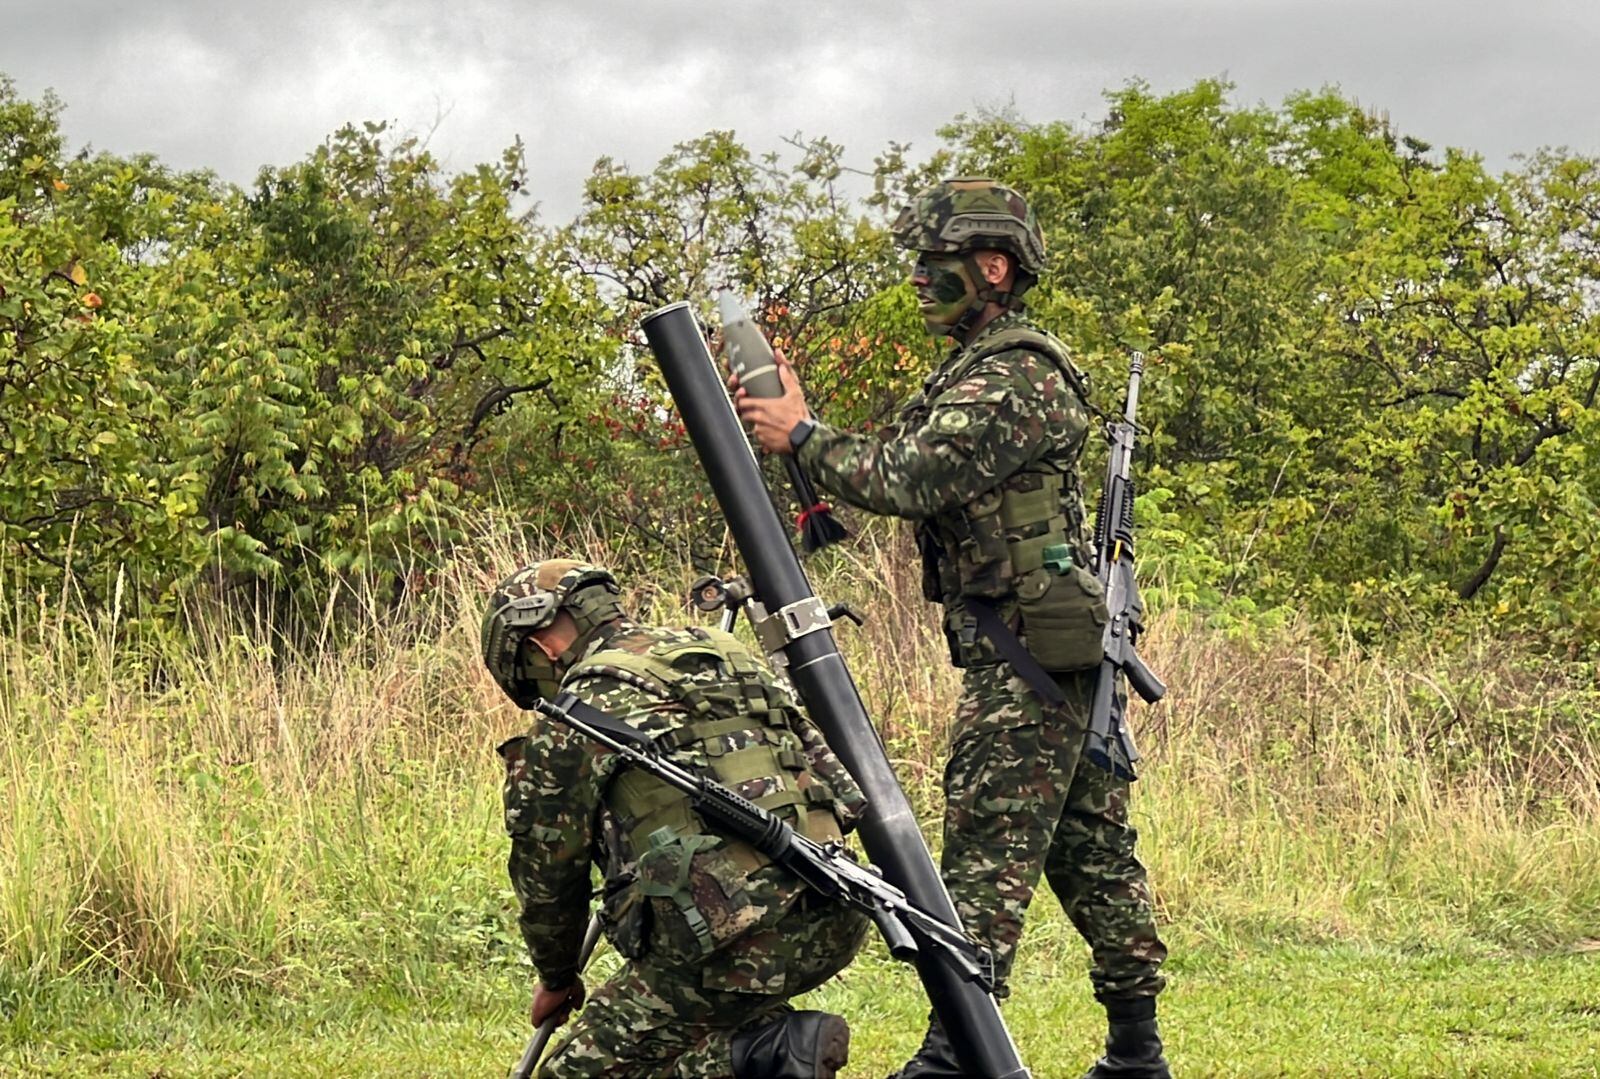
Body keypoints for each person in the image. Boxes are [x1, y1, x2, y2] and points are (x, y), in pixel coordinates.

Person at [733, 178, 1170, 1079]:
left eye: (937, 264)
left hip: (1030, 660)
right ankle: (1137, 1054)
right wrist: (804, 424)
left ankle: (951, 1057)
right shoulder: (975, 368)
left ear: (993, 266)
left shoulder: (1019, 373)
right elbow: (893, 454)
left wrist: (803, 435)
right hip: (1039, 648)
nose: (922, 282)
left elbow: (909, 477)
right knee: (1090, 851)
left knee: (982, 850)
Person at [481, 558, 870, 1079]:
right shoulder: (728, 659)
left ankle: (765, 1055)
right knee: (694, 1023)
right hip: (838, 908)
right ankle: (759, 1043)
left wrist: (556, 978)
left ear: (539, 649)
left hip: (735, 950)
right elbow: (843, 792)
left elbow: (548, 876)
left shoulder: (576, 714)